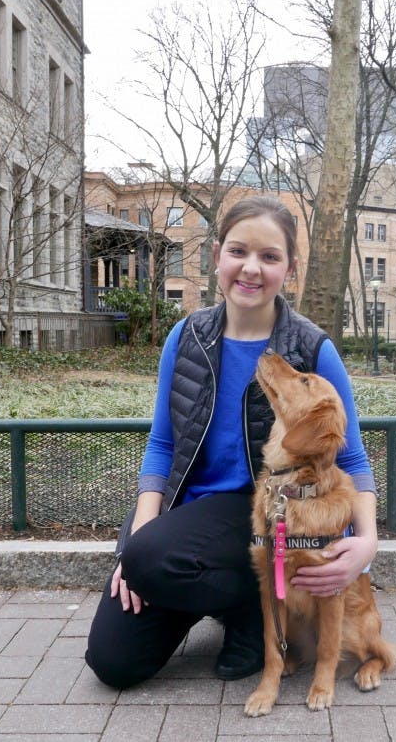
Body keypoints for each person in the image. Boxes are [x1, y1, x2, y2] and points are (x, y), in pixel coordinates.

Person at [85, 195, 378, 689]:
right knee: (114, 661)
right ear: (218, 254)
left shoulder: (312, 349)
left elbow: (352, 457)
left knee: (156, 559)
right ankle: (239, 604)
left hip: (273, 515)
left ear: (290, 268)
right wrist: (134, 547)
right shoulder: (186, 338)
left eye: (270, 256)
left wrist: (366, 544)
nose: (251, 268)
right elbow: (162, 445)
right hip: (193, 521)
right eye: (239, 251)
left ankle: (249, 614)